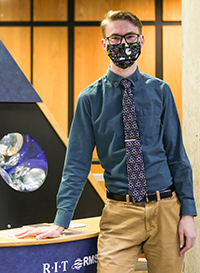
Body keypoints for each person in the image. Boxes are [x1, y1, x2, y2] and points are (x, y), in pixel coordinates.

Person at [17, 10, 197, 273]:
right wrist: (61, 220)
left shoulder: (160, 91)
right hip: (120, 214)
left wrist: (188, 214)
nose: (123, 44)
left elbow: (177, 156)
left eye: (130, 36)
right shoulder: (89, 99)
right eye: (115, 38)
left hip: (166, 211)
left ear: (142, 40)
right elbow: (76, 163)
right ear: (104, 43)